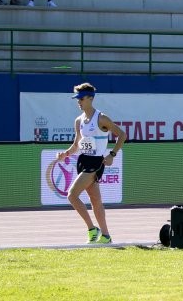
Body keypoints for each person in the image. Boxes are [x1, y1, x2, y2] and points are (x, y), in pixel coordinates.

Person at [56, 83, 126, 244]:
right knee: (95, 200)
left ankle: (92, 229)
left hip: (95, 162)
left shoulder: (102, 118)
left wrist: (112, 154)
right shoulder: (78, 121)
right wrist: (65, 154)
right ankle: (106, 236)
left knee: (72, 195)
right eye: (77, 99)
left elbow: (122, 134)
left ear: (90, 98)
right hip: (83, 161)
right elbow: (76, 145)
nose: (78, 102)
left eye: (81, 98)